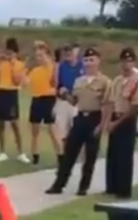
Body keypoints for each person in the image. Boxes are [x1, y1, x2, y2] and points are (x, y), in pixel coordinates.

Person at [45, 47, 113, 196]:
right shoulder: (79, 81)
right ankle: (59, 184)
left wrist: (102, 125)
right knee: (69, 152)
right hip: (81, 117)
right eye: (86, 60)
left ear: (98, 61)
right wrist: (64, 93)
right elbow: (74, 101)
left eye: (92, 60)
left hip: (95, 118)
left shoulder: (105, 82)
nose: (89, 63)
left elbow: (107, 105)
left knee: (90, 155)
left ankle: (83, 186)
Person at [103, 47, 138, 198]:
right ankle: (112, 186)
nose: (126, 64)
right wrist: (108, 121)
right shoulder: (117, 80)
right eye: (124, 61)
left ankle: (123, 190)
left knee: (124, 156)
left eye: (129, 61)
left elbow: (134, 107)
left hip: (127, 119)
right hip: (115, 116)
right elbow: (111, 101)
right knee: (113, 154)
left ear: (133, 62)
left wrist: (117, 123)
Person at [0, 37, 26, 162]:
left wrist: (12, 64)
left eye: (11, 52)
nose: (8, 54)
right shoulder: (1, 63)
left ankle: (21, 153)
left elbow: (17, 81)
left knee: (14, 123)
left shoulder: (20, 64)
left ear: (15, 53)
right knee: (0, 124)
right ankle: (2, 152)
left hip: (11, 93)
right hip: (0, 92)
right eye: (7, 51)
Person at [24, 41, 59, 165]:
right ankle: (35, 155)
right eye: (37, 56)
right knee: (35, 129)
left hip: (49, 100)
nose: (39, 58)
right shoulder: (35, 71)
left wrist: (43, 46)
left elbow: (56, 82)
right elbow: (27, 83)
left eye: (41, 56)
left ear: (47, 56)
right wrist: (25, 72)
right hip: (37, 99)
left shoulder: (53, 67)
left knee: (52, 129)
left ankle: (60, 155)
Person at [53, 43, 82, 151]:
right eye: (66, 52)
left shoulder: (81, 65)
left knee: (75, 130)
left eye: (70, 51)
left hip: (78, 101)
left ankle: (75, 152)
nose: (68, 54)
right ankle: (65, 155)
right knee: (62, 132)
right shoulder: (61, 66)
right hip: (64, 100)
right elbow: (57, 85)